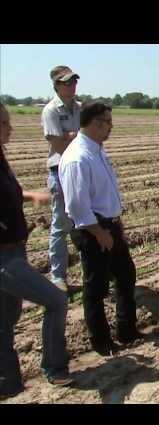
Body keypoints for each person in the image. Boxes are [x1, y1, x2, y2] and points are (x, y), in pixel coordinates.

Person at [0, 103, 73, 399]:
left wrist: (30, 196)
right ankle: (55, 369)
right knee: (56, 300)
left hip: (16, 251)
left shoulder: (1, 159)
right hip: (4, 258)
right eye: (4, 123)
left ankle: (8, 385)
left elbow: (9, 195)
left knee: (5, 323)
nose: (10, 127)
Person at [59, 102, 143, 357]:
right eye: (107, 121)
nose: (111, 126)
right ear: (94, 123)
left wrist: (117, 223)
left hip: (109, 225)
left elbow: (104, 194)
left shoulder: (97, 150)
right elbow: (76, 205)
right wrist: (99, 232)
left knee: (126, 276)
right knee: (96, 288)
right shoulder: (77, 158)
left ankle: (127, 331)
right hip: (92, 229)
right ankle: (101, 341)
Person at [41, 65, 81, 293]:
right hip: (60, 171)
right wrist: (76, 137)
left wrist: (72, 137)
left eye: (74, 80)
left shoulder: (81, 108)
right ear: (57, 85)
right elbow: (57, 144)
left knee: (84, 221)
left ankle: (92, 272)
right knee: (60, 225)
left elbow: (91, 138)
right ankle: (58, 277)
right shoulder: (50, 111)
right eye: (67, 81)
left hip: (80, 171)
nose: (73, 84)